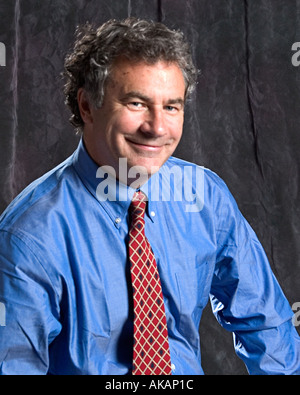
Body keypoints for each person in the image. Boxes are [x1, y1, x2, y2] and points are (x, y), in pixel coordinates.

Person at [0, 17, 299, 375]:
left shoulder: (205, 197)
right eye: (137, 103)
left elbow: (266, 325)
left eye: (171, 106)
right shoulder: (30, 235)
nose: (157, 128)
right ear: (86, 106)